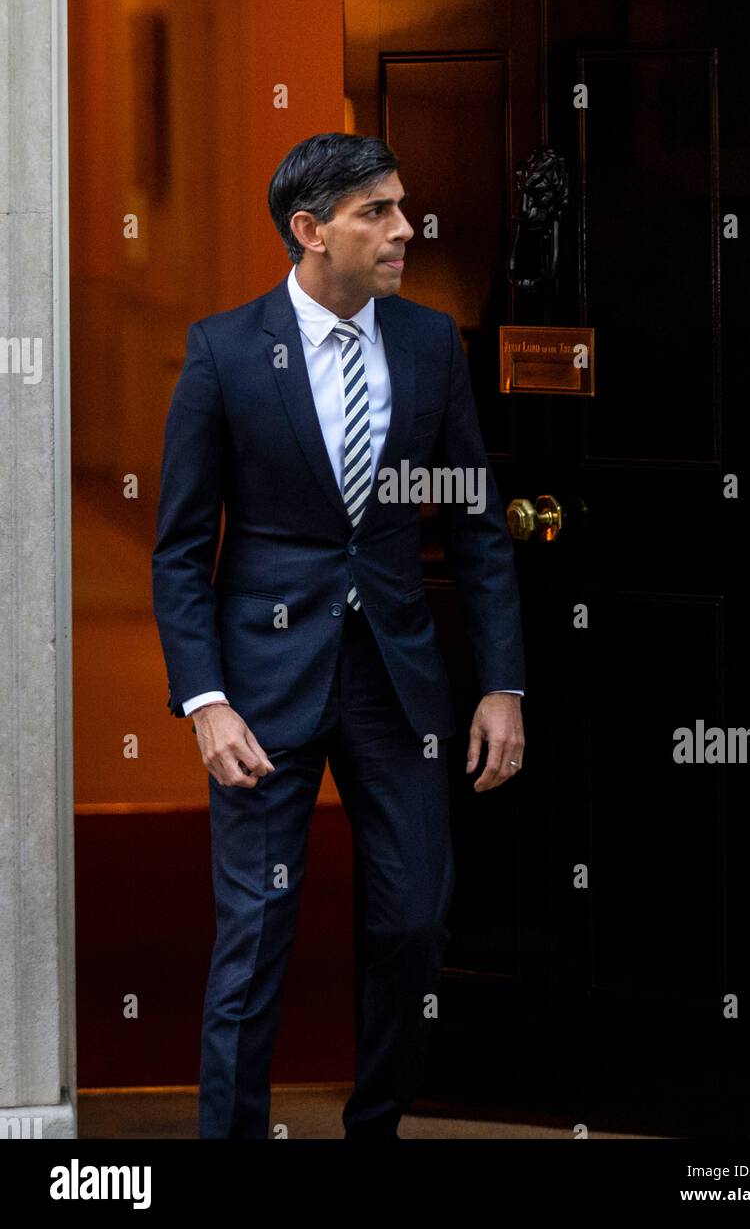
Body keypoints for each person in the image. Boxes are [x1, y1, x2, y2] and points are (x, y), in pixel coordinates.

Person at [151, 131, 526, 1140]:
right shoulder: (224, 352)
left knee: (411, 920)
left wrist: (501, 684)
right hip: (262, 689)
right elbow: (181, 549)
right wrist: (204, 699)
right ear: (310, 231)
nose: (405, 228)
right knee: (255, 933)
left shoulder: (429, 344)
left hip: (398, 687)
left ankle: (375, 1127)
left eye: (402, 206)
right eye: (378, 213)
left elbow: (479, 527)